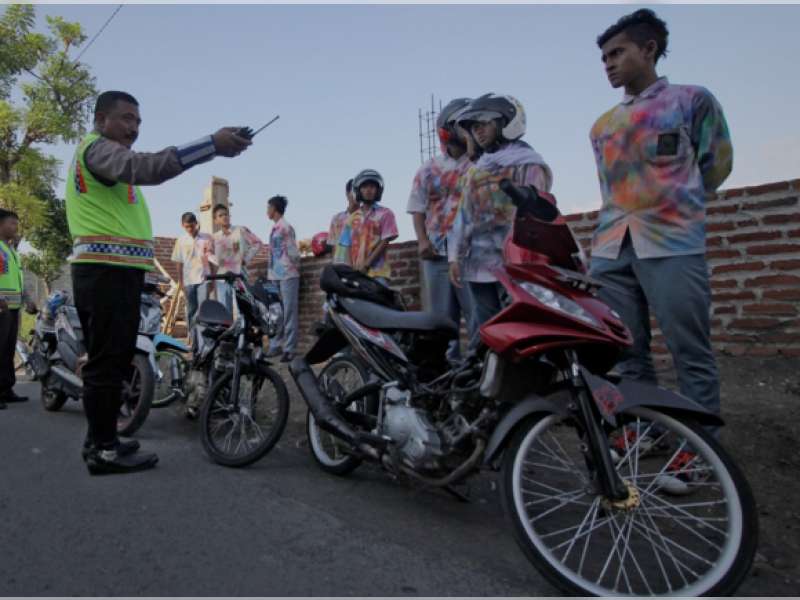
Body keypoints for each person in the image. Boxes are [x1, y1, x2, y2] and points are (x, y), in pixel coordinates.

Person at [65, 90, 251, 474]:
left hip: (116, 272)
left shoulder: (111, 164)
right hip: (104, 272)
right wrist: (211, 145)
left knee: (115, 360)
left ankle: (103, 439)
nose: (133, 128)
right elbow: (148, 167)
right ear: (101, 120)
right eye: (126, 118)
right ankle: (102, 449)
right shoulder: (98, 151)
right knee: (107, 362)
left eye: (138, 122)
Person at [588, 10, 731, 474]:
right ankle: (643, 428)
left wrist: (675, 206)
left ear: (648, 49)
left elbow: (716, 165)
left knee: (689, 347)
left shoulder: (691, 100)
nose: (609, 64)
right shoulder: (603, 125)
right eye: (604, 57)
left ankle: (702, 449)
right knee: (626, 349)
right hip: (612, 248)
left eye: (618, 53)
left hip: (672, 242)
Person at [448, 94, 553, 345]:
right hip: (478, 262)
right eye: (474, 127)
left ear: (507, 122)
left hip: (516, 260)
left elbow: (538, 208)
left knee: (521, 328)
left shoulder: (528, 162)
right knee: (487, 330)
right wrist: (454, 255)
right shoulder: (478, 169)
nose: (478, 132)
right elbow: (464, 215)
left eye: (483, 124)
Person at [407, 97, 475, 363]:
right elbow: (417, 208)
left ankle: (482, 374)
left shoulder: (480, 164)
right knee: (441, 321)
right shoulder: (428, 169)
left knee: (478, 316)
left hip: (473, 253)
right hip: (437, 253)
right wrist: (422, 241)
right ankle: (447, 376)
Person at [0, 209, 36, 410]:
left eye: (16, 223)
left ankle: (6, 389)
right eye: (11, 223)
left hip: (12, 310)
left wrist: (28, 301)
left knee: (6, 351)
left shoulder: (12, 251)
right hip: (1, 308)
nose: (15, 227)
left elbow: (18, 282)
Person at [337, 169, 398, 286]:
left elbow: (385, 241)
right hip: (356, 274)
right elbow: (346, 246)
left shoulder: (385, 213)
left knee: (377, 303)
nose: (368, 190)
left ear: (378, 190)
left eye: (372, 187)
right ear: (358, 190)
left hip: (378, 272)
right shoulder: (352, 218)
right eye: (364, 187)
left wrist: (367, 264)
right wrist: (351, 271)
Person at [264, 195, 301, 363]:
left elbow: (294, 252)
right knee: (276, 311)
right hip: (274, 275)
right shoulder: (274, 228)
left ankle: (290, 348)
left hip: (288, 274)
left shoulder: (286, 227)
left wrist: (295, 269)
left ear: (275, 209)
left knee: (289, 311)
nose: (267, 211)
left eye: (268, 208)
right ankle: (276, 345)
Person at [210, 204, 264, 313]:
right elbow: (206, 254)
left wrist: (246, 259)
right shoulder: (214, 238)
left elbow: (257, 243)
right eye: (220, 215)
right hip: (223, 278)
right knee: (225, 311)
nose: (224, 217)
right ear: (215, 220)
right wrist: (217, 261)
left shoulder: (240, 230)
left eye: (226, 214)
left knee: (244, 308)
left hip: (240, 277)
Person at [171, 212, 215, 329]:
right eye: (187, 226)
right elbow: (178, 263)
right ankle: (192, 338)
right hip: (188, 281)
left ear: (196, 223)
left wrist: (213, 280)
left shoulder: (207, 238)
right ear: (182, 225)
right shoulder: (180, 240)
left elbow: (212, 261)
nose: (190, 229)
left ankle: (204, 339)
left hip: (204, 279)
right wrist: (181, 282)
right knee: (191, 310)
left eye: (192, 226)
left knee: (204, 310)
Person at [327, 178, 358, 262]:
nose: (357, 194)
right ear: (347, 194)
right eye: (354, 190)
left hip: (361, 265)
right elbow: (333, 245)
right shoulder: (336, 219)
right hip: (340, 265)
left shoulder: (368, 217)